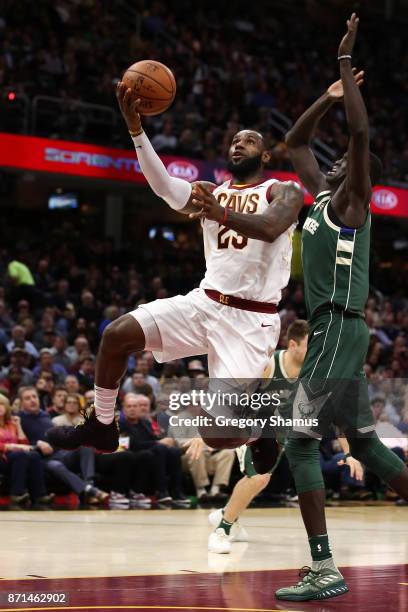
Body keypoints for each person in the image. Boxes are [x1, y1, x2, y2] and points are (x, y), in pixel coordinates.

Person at [46, 74, 304, 455]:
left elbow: (271, 226)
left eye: (248, 140)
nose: (238, 145)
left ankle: (263, 428)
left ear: (265, 156)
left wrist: (222, 212)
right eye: (234, 140)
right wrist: (136, 130)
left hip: (251, 321)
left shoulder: (282, 190)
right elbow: (165, 186)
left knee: (214, 435)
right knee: (116, 335)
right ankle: (101, 424)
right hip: (205, 302)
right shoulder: (211, 193)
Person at [276, 14, 408, 601]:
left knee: (300, 439)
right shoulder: (324, 197)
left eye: (343, 165)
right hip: (343, 332)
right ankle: (324, 564)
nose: (329, 164)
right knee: (366, 446)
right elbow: (296, 142)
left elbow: (359, 138)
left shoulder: (353, 202)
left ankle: (325, 567)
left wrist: (344, 67)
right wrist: (327, 98)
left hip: (334, 328)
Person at [207, 320, 363, 553]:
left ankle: (228, 513)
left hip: (279, 433)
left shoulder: (313, 374)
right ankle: (222, 530)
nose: (317, 351)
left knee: (263, 478)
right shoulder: (268, 365)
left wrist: (349, 452)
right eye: (311, 345)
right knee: (259, 477)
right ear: (292, 345)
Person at [0, 394, 53, 508]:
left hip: (13, 456)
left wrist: (18, 426)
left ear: (6, 407)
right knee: (19, 455)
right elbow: (18, 447)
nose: (0, 407)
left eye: (2, 404)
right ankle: (16, 493)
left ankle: (40, 495)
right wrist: (10, 446)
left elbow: (24, 445)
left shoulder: (11, 424)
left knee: (33, 455)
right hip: (2, 457)